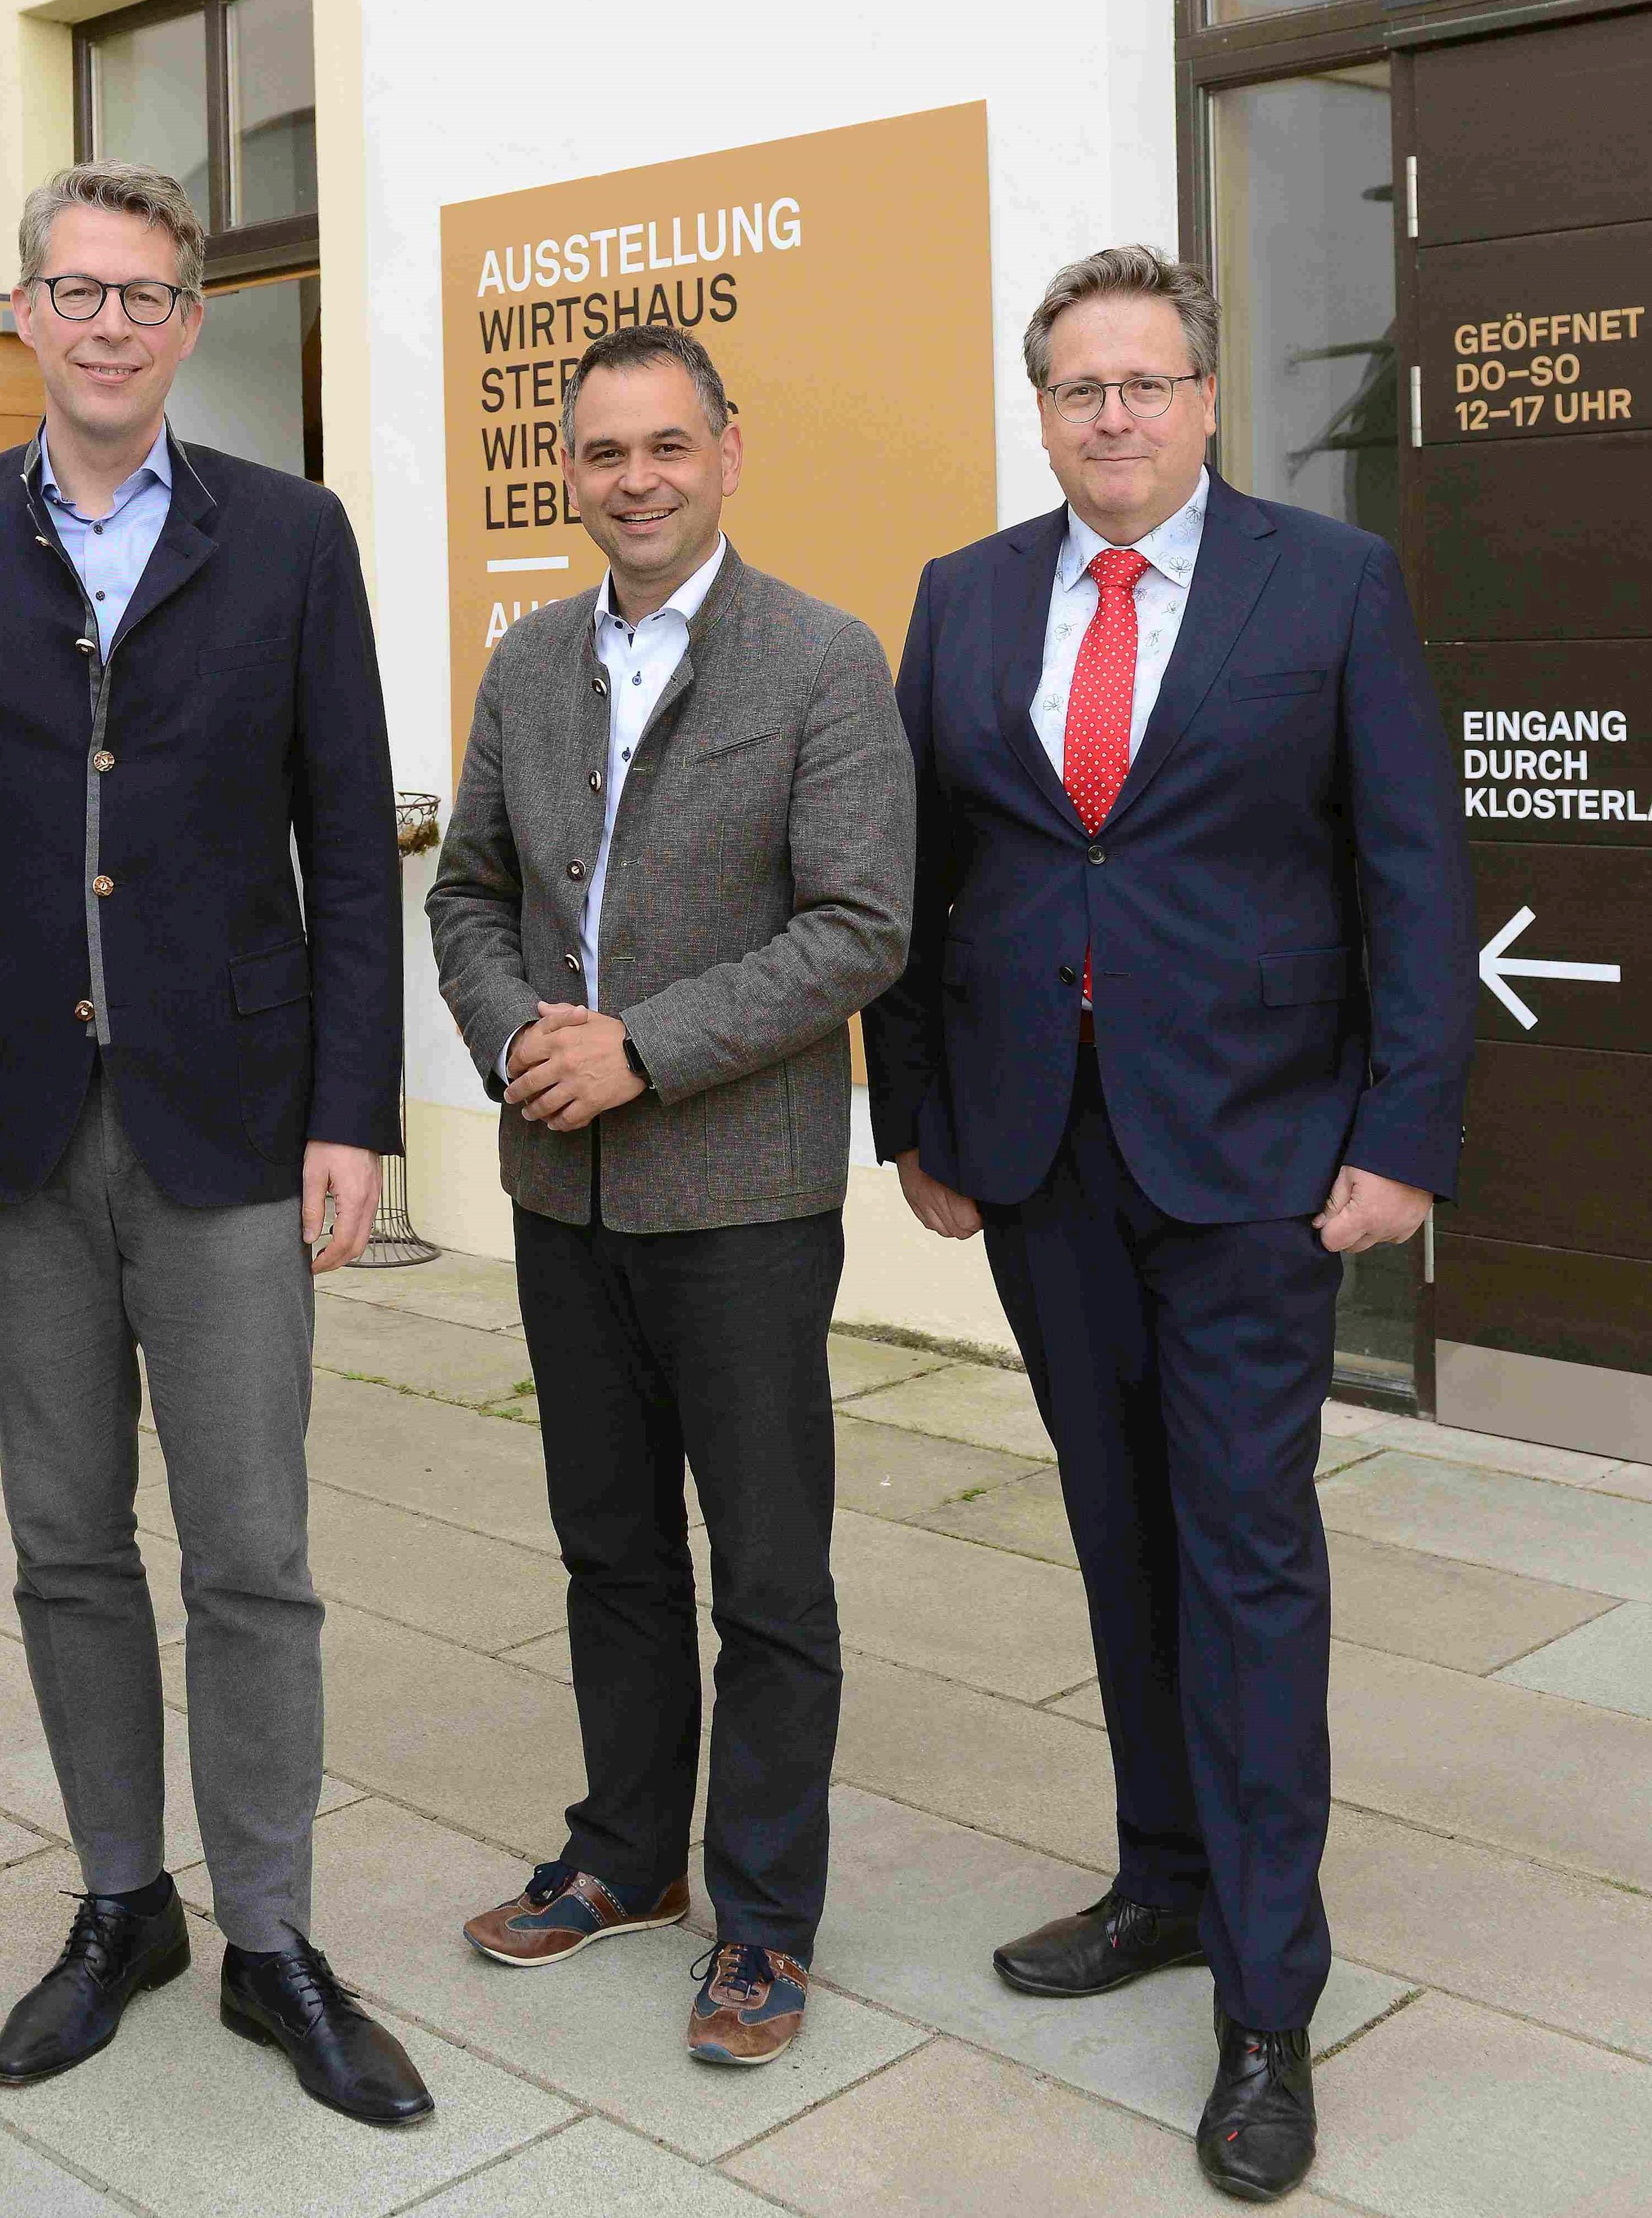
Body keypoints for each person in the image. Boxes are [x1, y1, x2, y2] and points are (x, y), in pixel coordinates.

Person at [861, 245, 1475, 2203]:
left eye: (1144, 383)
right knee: (1119, 1535)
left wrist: (1404, 1138)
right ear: (1038, 409)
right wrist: (917, 1123)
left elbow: (1411, 878)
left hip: (1258, 1166)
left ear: (1206, 401)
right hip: (1042, 1158)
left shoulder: (1332, 587)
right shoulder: (965, 599)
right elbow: (919, 886)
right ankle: (1164, 1878)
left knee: (1245, 1556)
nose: (1111, 416)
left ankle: (1269, 1999)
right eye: (1076, 387)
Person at [0, 160, 429, 2127]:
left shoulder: (289, 538)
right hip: (6, 1125)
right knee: (66, 1544)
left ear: (190, 322)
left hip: (237, 1121)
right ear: (23, 312)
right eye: (73, 290)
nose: (107, 324)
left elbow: (351, 844)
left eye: (145, 294)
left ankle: (270, 1934)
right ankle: (120, 1903)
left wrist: (358, 1112)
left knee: (253, 1551)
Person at [428, 325, 913, 2066]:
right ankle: (627, 1859)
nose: (634, 478)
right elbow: (469, 892)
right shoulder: (532, 657)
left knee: (769, 1572)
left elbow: (860, 925)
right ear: (569, 470)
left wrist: (642, 1046)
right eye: (603, 452)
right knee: (607, 1546)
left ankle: (765, 1921)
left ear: (727, 450)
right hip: (568, 1194)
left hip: (742, 1199)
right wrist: (518, 1043)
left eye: (665, 447)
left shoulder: (821, 660)